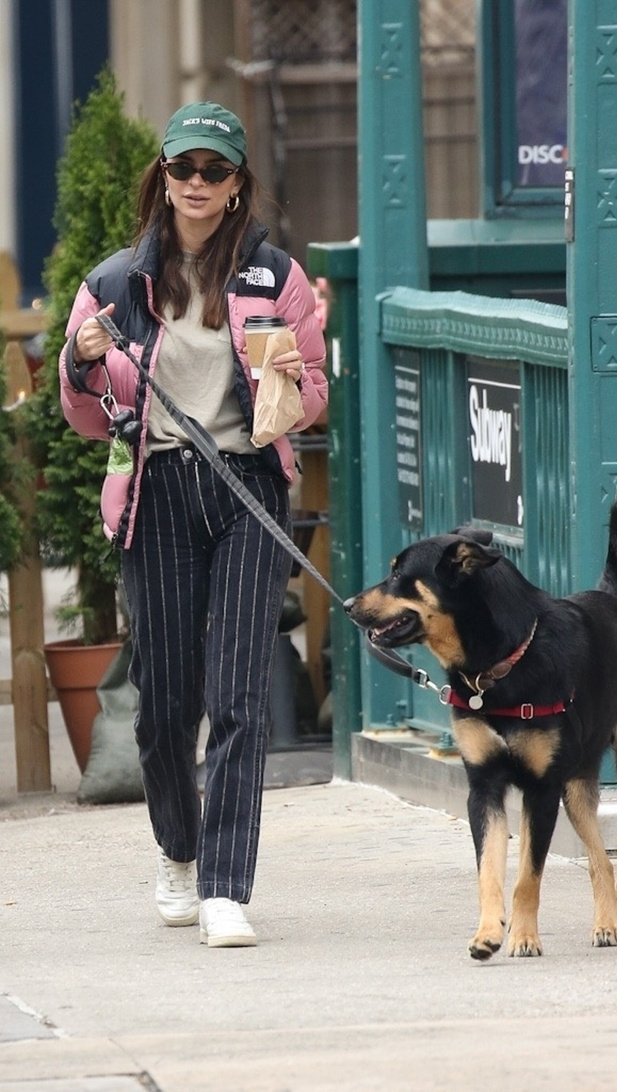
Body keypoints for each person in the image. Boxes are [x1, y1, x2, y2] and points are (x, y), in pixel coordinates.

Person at [59, 102, 328, 947]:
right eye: (184, 168)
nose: (198, 183)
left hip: (248, 487)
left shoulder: (275, 276)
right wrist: (80, 361)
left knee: (239, 694)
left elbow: (315, 396)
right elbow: (84, 415)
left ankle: (224, 886)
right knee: (166, 705)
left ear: (238, 181)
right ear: (164, 177)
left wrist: (293, 382)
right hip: (158, 491)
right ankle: (177, 849)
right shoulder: (113, 284)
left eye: (215, 170)